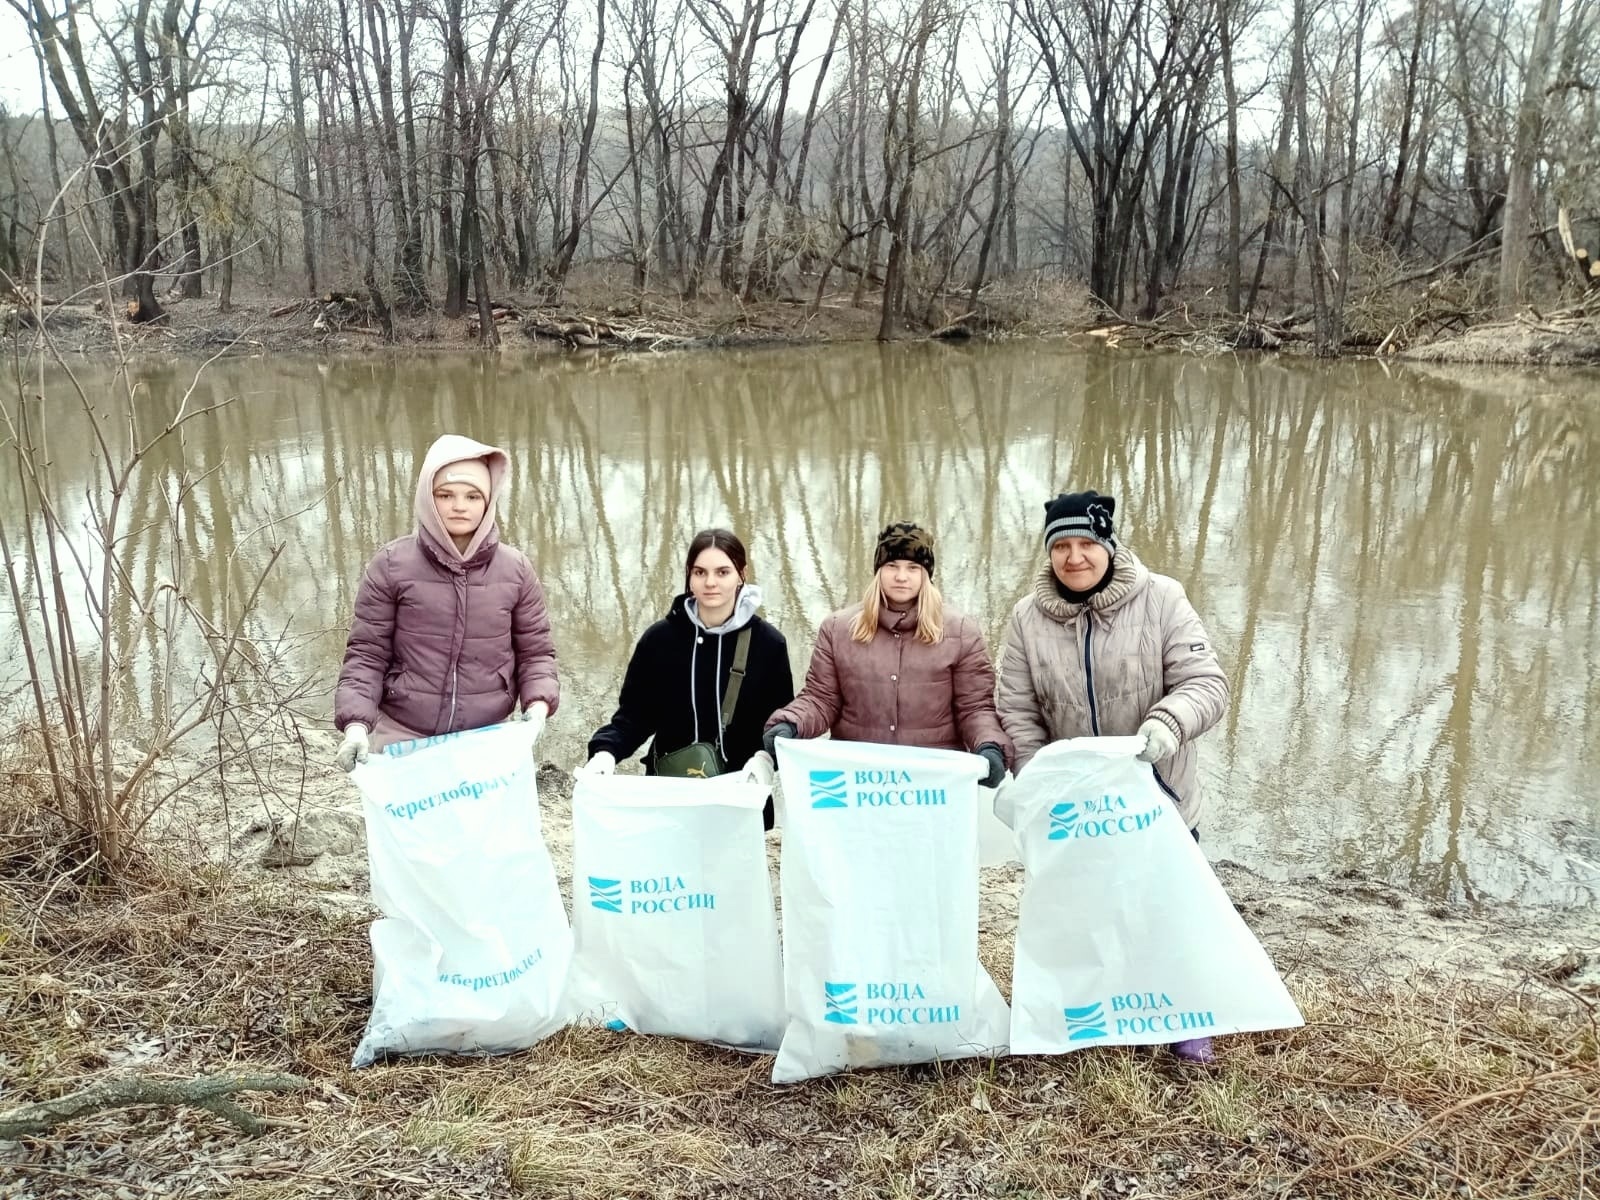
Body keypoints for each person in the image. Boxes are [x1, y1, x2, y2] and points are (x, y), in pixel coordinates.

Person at [995, 490, 1229, 1063]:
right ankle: (1095, 1010)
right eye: (1062, 546)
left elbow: (1206, 683)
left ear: (1108, 544)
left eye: (1086, 544)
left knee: (1167, 909)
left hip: (1160, 796)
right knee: (1087, 910)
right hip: (1077, 804)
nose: (1074, 557)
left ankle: (1184, 1016)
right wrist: (1043, 779)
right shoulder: (1027, 619)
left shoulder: (1163, 599)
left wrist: (1167, 725)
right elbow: (1017, 711)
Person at [334, 434, 559, 767]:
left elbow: (536, 652)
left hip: (489, 735)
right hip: (404, 734)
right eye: (446, 494)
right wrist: (355, 726)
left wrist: (537, 706)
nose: (459, 505)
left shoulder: (516, 570)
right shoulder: (391, 564)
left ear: (488, 500)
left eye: (472, 495)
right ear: (428, 497)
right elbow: (367, 655)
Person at [763, 522, 1012, 786]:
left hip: (933, 779)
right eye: (892, 566)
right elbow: (821, 698)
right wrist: (791, 724)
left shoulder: (961, 632)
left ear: (926, 575)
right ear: (878, 571)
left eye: (912, 568)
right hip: (857, 778)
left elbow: (974, 708)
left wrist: (990, 746)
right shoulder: (837, 629)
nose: (901, 576)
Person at [582, 529, 795, 829]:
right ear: (689, 576)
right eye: (700, 572)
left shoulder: (769, 644)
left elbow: (781, 723)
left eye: (722, 572)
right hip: (670, 793)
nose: (710, 582)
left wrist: (765, 760)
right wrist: (605, 753)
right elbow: (634, 716)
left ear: (741, 574)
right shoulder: (659, 640)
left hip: (741, 796)